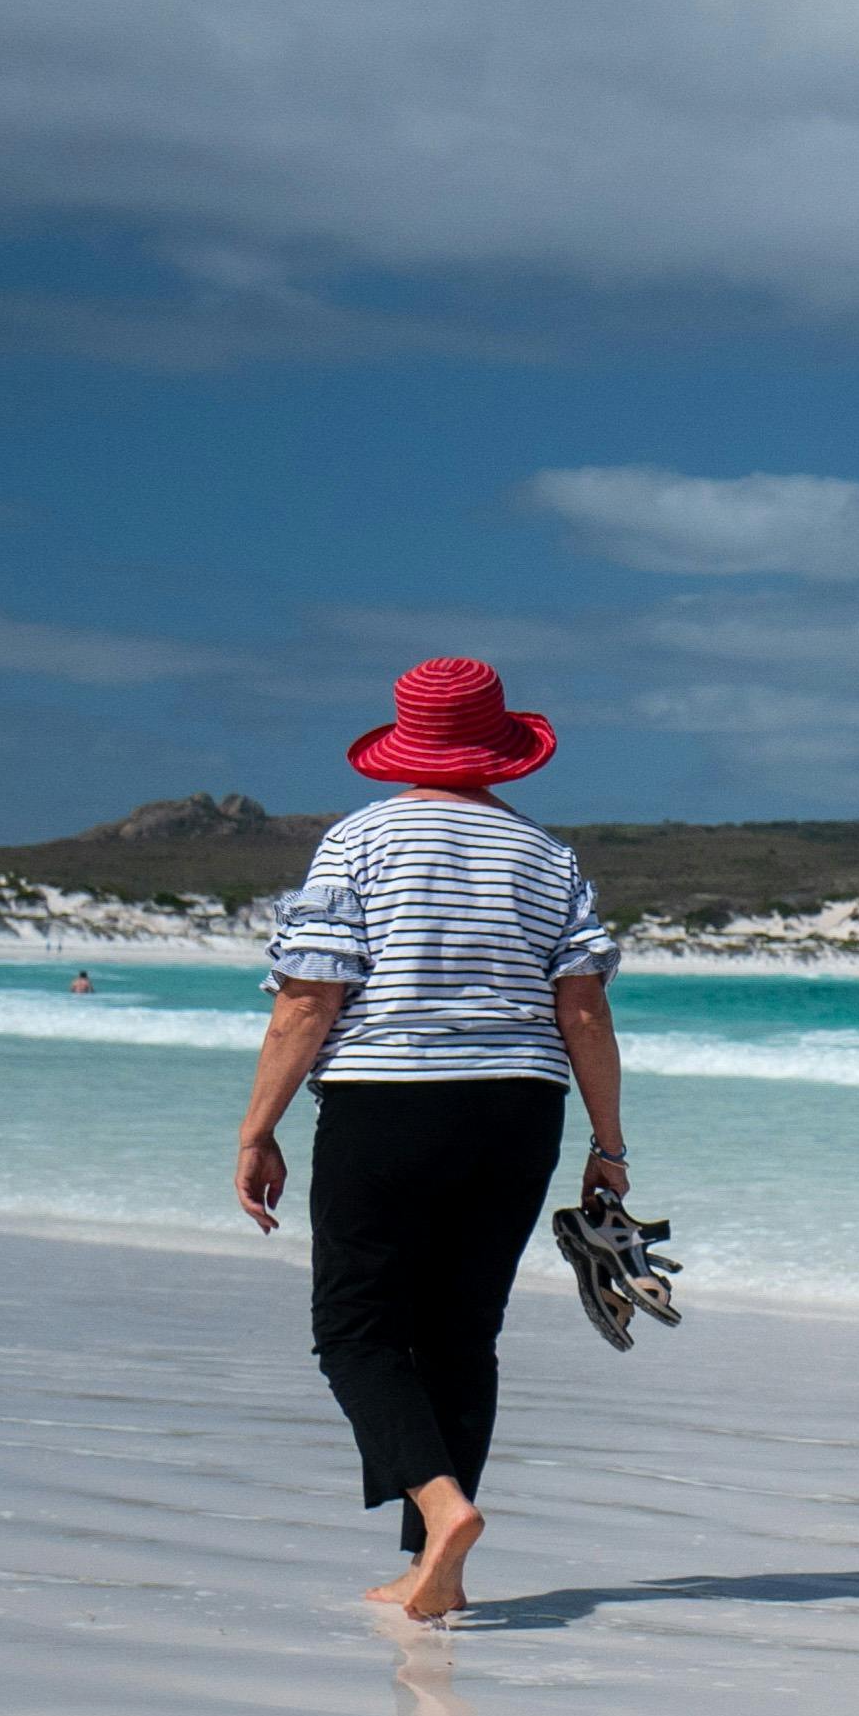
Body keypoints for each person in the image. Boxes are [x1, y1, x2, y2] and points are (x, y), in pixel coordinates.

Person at [234, 658, 629, 1623]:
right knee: (461, 1335)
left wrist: (258, 1128)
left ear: (404, 743)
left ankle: (443, 1513)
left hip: (388, 1105)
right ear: (498, 749)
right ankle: (430, 1565)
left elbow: (308, 998)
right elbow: (581, 1011)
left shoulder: (359, 842)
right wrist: (608, 1145)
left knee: (356, 1328)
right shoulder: (547, 856)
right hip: (520, 1112)